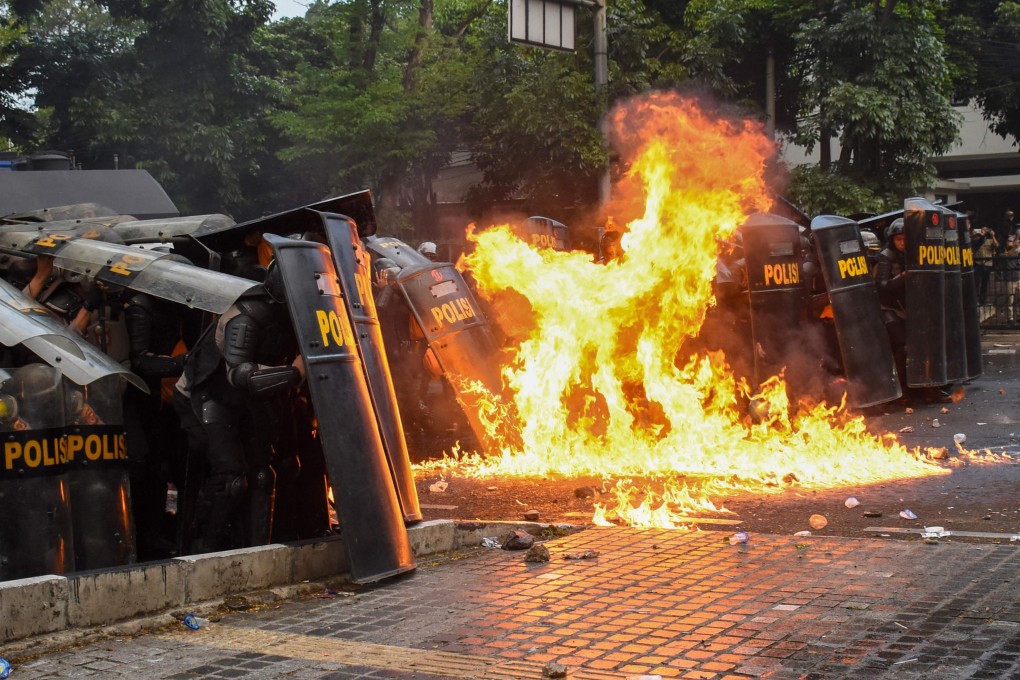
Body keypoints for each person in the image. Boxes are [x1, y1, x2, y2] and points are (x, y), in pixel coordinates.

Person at [973, 226, 997, 306]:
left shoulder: (990, 240)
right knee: (976, 282)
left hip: (987, 264)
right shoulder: (976, 239)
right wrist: (976, 233)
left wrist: (993, 236)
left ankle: (983, 300)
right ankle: (975, 300)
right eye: (982, 230)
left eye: (985, 230)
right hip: (978, 263)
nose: (983, 231)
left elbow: (996, 245)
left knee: (985, 283)